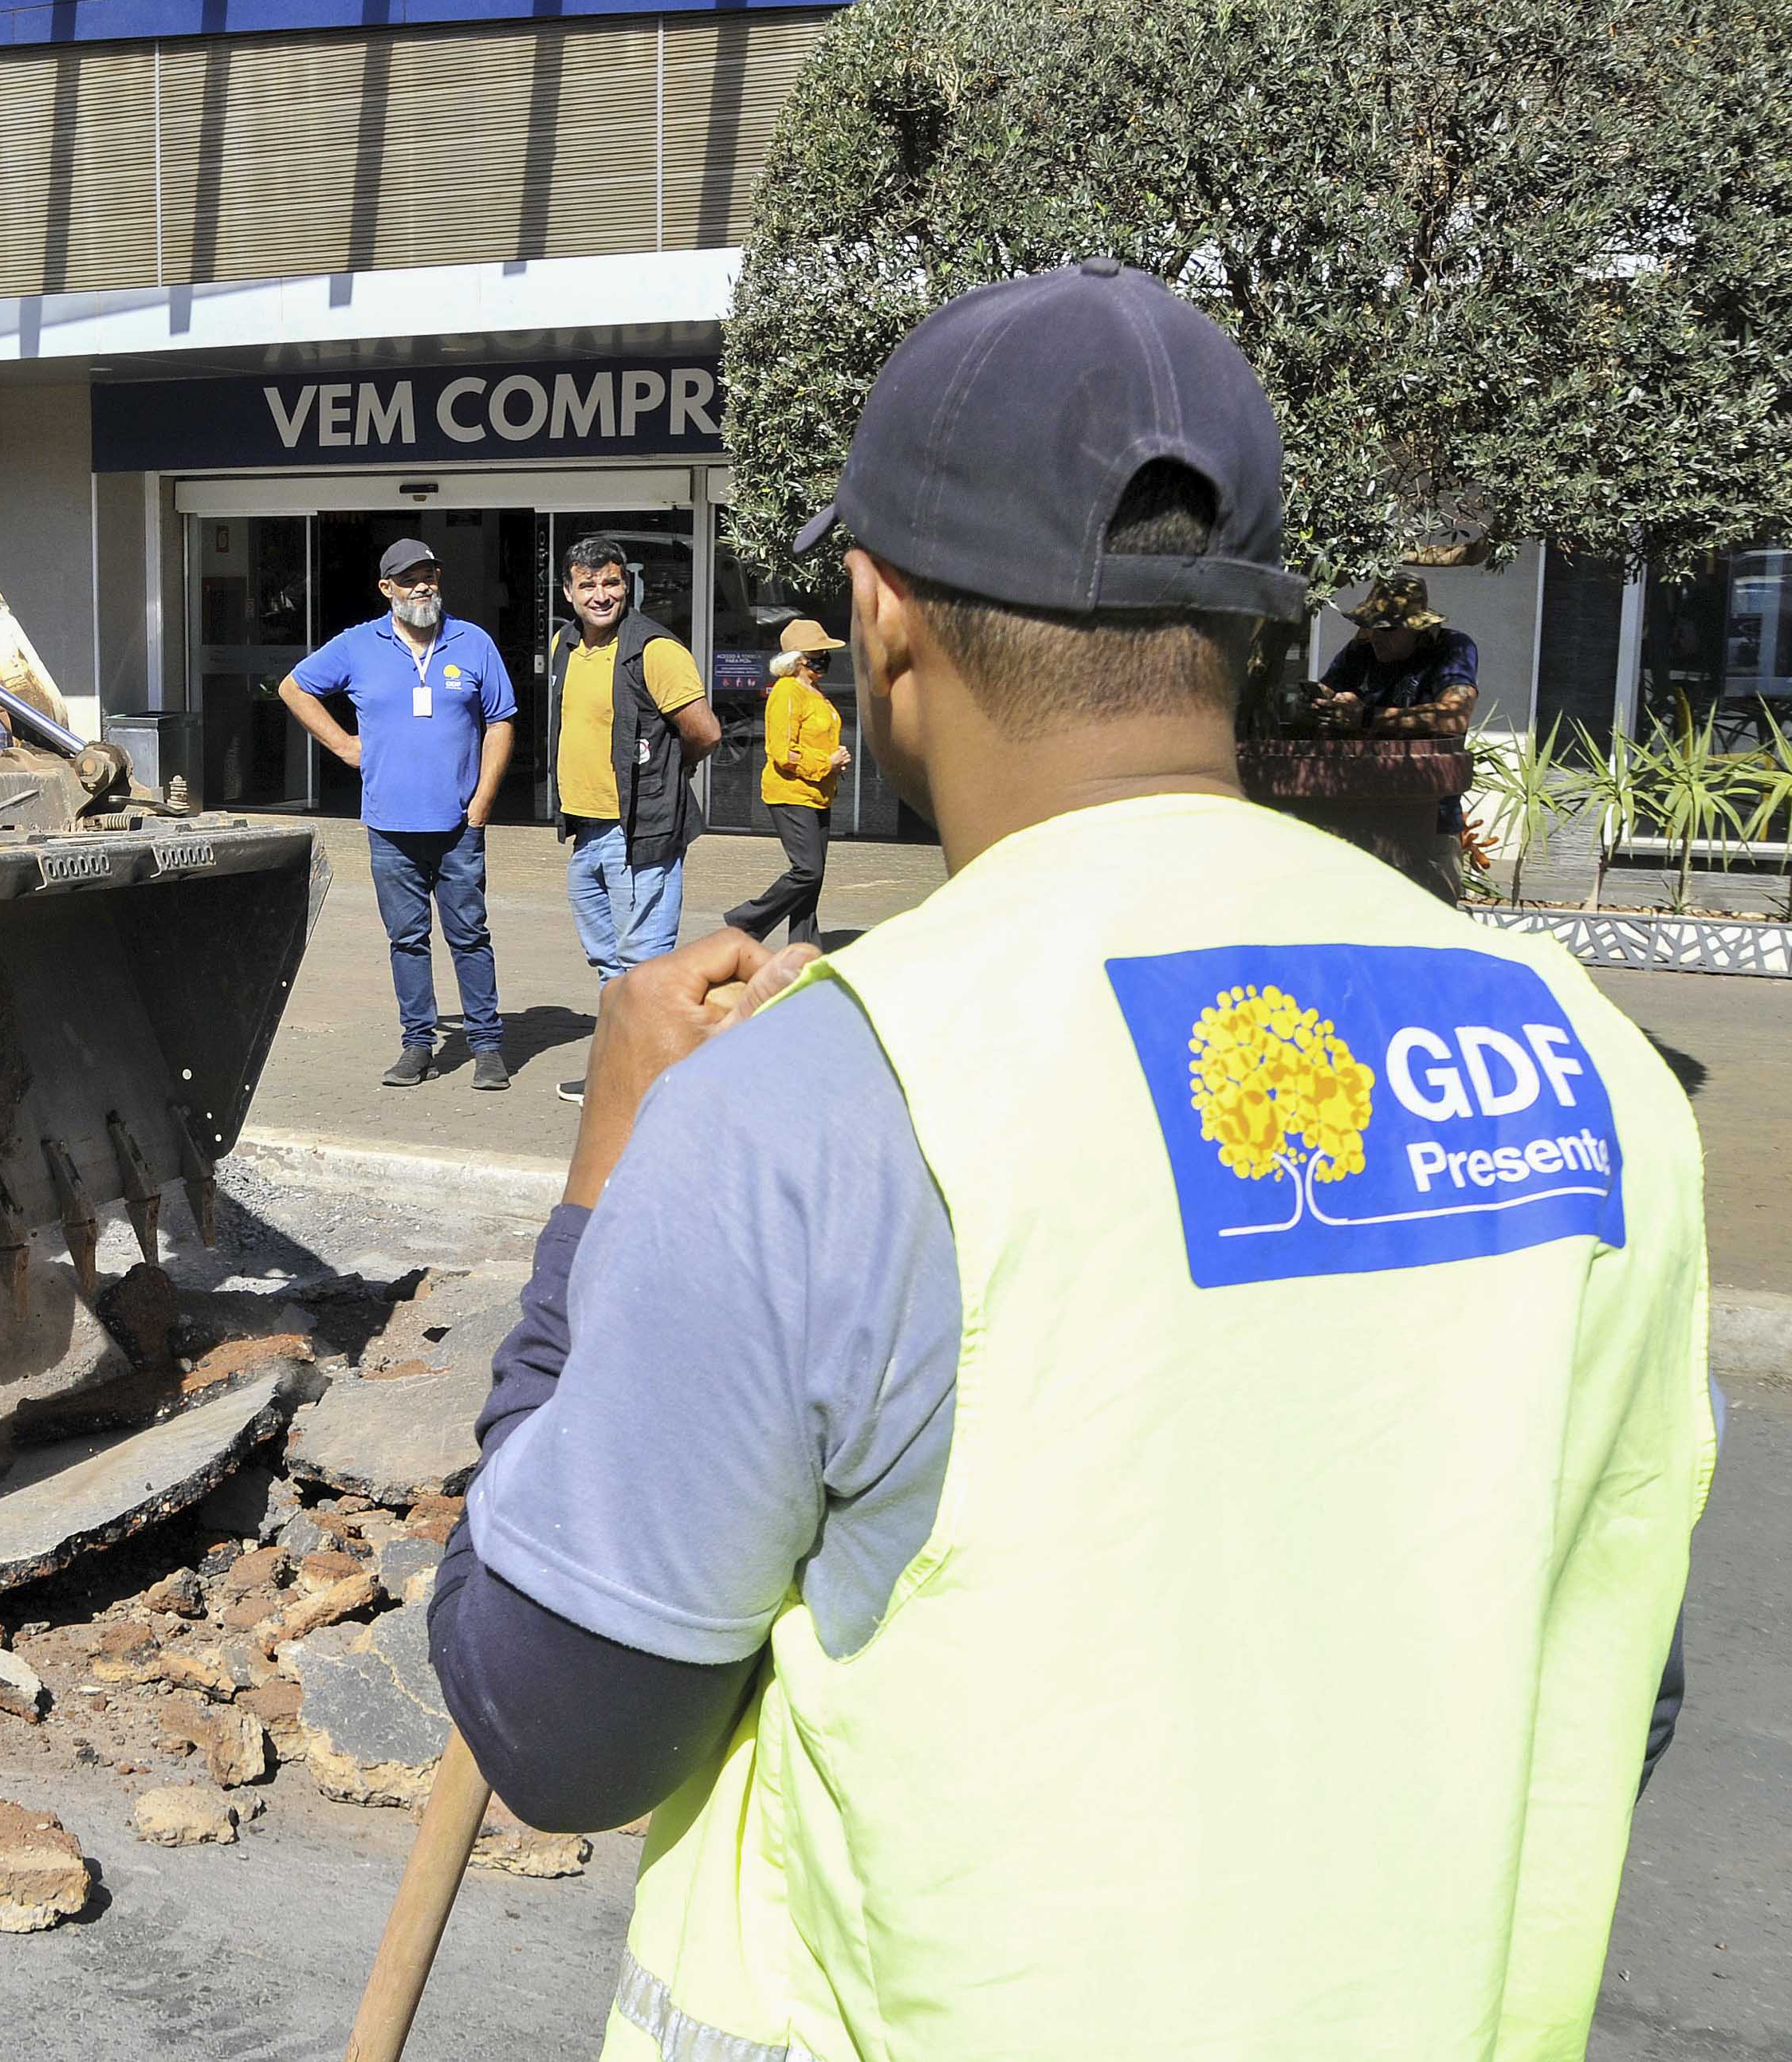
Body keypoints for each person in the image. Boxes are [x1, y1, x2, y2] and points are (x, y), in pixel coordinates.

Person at [428, 259, 1710, 2060]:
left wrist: (597, 1203)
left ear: (880, 616)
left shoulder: (822, 1103)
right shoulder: (1592, 1071)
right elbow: (1612, 1673)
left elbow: (554, 1720)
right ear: (1247, 623)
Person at [278, 537, 520, 1090]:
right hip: (389, 826)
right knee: (407, 939)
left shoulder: (473, 642)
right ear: (387, 588)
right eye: (409, 579)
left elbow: (501, 721)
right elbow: (294, 688)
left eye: (429, 575)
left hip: (459, 826)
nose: (422, 587)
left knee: (470, 935)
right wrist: (344, 746)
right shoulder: (357, 645)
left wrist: (483, 800)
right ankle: (418, 1045)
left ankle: (486, 1046)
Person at [548, 536, 717, 1104]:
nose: (601, 595)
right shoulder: (564, 645)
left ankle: (653, 1087)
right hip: (587, 831)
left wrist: (669, 773)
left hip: (639, 832)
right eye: (588, 585)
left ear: (627, 585)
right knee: (610, 967)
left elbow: (704, 732)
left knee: (645, 967)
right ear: (568, 592)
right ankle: (618, 1076)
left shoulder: (656, 650)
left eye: (612, 582)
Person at [1311, 572, 1481, 836]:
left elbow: (1455, 717)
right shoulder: (1361, 650)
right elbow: (1328, 689)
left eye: (1387, 629)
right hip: (1358, 804)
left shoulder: (1450, 648)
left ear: (1417, 627)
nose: (1376, 636)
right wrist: (1318, 705)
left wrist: (1366, 717)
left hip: (1426, 811)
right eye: (1370, 625)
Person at [721, 616, 850, 950]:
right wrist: (826, 762)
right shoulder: (787, 692)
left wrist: (835, 760)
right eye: (818, 652)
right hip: (790, 793)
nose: (825, 657)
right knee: (807, 871)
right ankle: (746, 922)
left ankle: (804, 949)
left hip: (818, 793)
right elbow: (781, 752)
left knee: (812, 880)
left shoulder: (814, 692)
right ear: (799, 658)